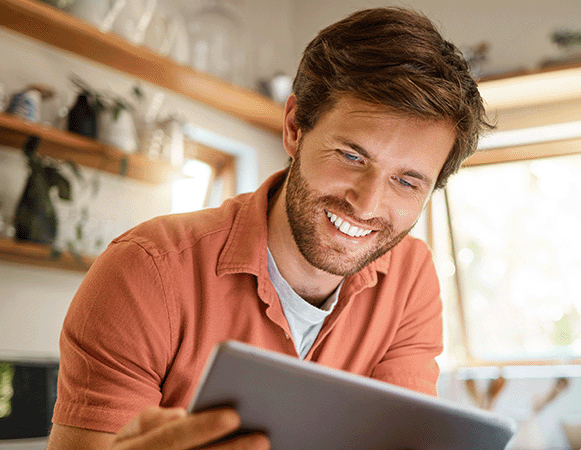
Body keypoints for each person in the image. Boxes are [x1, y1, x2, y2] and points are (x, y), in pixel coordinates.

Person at [46, 6, 491, 450]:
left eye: (407, 181)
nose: (367, 204)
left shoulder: (410, 278)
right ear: (295, 128)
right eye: (352, 156)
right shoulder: (145, 272)